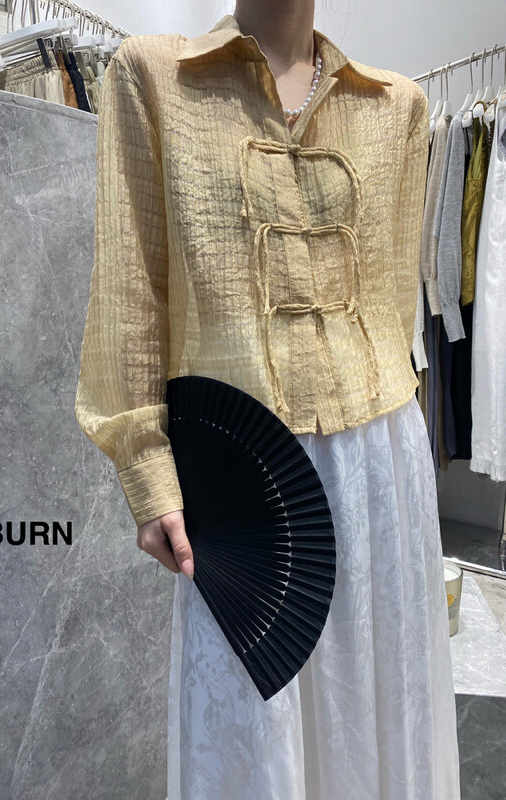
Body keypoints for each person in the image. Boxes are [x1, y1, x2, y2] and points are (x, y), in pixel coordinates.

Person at [74, 1, 462, 797]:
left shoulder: (400, 107)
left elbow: (395, 313)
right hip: (242, 473)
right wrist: (147, 472)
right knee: (253, 735)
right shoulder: (151, 78)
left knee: (381, 709)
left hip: (381, 467)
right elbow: (131, 294)